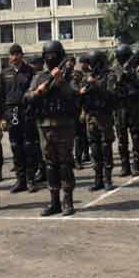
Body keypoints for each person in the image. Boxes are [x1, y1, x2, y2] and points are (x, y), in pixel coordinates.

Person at [25, 40, 80, 216]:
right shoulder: (39, 77)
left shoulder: (71, 75)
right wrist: (37, 92)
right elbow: (26, 97)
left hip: (64, 125)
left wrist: (61, 81)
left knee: (65, 164)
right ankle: (54, 201)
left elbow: (74, 96)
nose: (50, 58)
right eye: (47, 55)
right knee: (50, 164)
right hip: (44, 126)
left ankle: (67, 201)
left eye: (54, 55)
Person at [0, 44, 38, 193]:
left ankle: (31, 180)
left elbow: (34, 93)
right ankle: (20, 180)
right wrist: (2, 117)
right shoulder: (4, 73)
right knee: (15, 147)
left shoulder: (30, 71)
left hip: (26, 112)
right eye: (12, 54)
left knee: (29, 146)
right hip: (11, 113)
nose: (14, 57)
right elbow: (1, 96)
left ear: (22, 55)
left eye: (17, 54)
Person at [79, 51, 116, 191]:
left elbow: (111, 96)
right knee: (94, 149)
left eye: (92, 62)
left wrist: (95, 86)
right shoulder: (87, 78)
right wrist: (81, 94)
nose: (89, 65)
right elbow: (80, 98)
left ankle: (107, 179)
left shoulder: (109, 76)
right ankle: (98, 179)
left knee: (105, 147)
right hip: (91, 117)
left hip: (104, 116)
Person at [112, 44, 139, 176]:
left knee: (136, 136)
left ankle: (136, 164)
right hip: (120, 108)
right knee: (121, 138)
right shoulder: (114, 71)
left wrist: (131, 75)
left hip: (133, 106)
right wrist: (120, 77)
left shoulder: (136, 70)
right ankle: (125, 165)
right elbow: (111, 88)